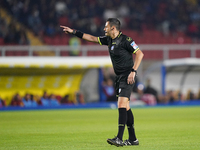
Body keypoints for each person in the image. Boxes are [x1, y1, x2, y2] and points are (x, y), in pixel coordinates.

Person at [60, 18, 144, 147]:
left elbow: (139, 54)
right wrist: (73, 32)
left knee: (121, 105)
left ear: (113, 28)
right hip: (119, 77)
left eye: (106, 27)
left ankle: (119, 138)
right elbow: (91, 38)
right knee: (126, 107)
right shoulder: (108, 40)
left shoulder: (126, 40)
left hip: (128, 76)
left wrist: (133, 71)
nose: (104, 29)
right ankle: (133, 139)